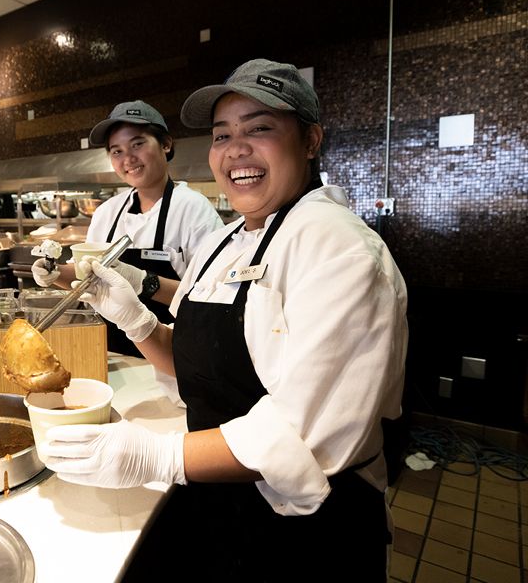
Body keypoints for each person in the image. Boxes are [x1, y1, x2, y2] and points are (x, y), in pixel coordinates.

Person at [40, 59, 408, 581]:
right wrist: (135, 318)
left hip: (309, 528)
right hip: (220, 501)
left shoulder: (340, 249)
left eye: (259, 128)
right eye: (221, 135)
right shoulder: (222, 242)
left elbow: (305, 436)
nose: (236, 149)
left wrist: (155, 456)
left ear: (310, 141)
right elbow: (197, 360)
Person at [31, 100, 223, 357]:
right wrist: (55, 274)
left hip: (174, 354)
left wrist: (144, 282)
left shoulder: (193, 209)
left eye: (138, 144)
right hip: (112, 353)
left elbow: (210, 298)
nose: (128, 159)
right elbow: (86, 278)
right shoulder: (107, 212)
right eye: (116, 151)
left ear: (166, 144)